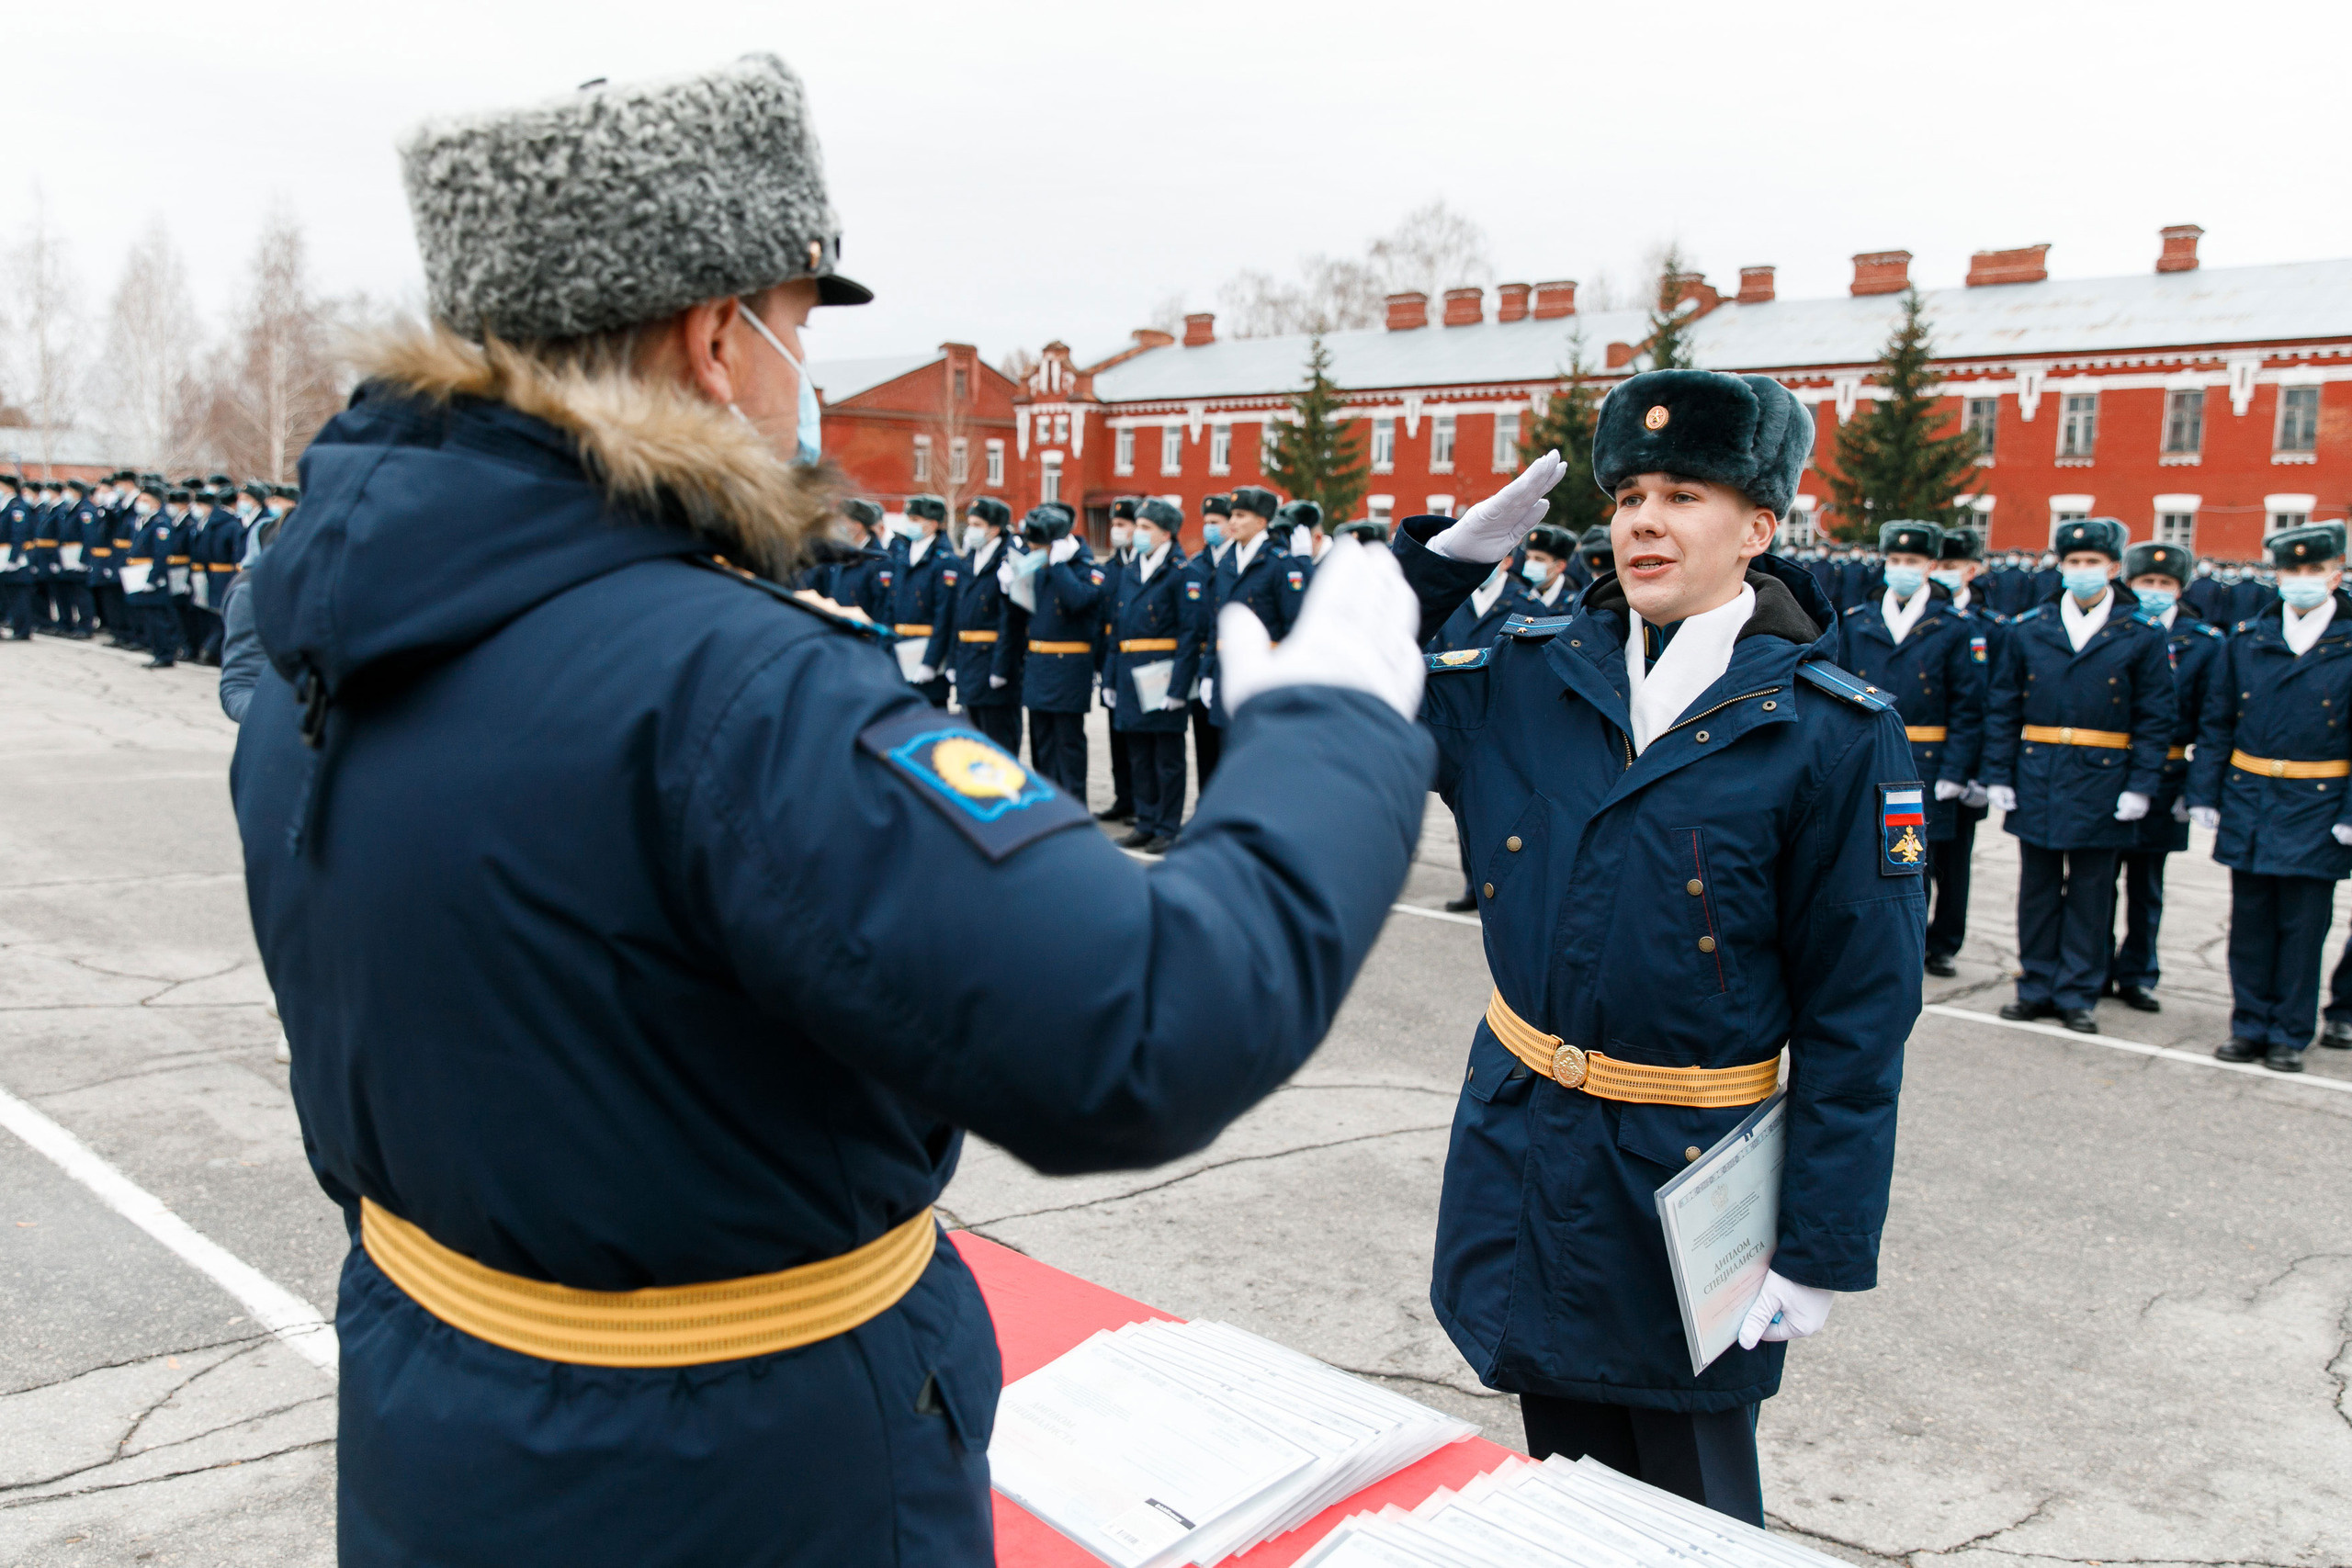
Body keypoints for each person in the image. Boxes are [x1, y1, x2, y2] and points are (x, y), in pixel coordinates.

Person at [230, 55, 1436, 1567]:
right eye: (801, 320)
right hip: (742, 1482)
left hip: (443, 1427)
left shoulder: (317, 642)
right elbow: (1144, 1017)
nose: (807, 372)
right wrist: (1333, 733)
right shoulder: (728, 682)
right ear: (717, 337)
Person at [1398, 368, 1919, 1526]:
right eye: (1628, 493)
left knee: (1691, 1514)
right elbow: (1310, 681)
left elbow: (1860, 1014)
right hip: (1529, 1140)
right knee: (1563, 1498)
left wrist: (1821, 1245)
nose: (1643, 519)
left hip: (1688, 1179)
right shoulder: (1527, 678)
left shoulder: (1829, 733)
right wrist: (1430, 572)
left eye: (1685, 494)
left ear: (1758, 528)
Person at [1981, 520, 2175, 1033]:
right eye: (2073, 562)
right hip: (2040, 770)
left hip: (2104, 778)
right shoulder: (2028, 628)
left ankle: (2078, 991)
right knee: (2038, 889)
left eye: (2092, 563)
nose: (2081, 571)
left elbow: (2156, 718)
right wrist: (1999, 772)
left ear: (2113, 568)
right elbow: (2002, 707)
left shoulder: (2141, 634)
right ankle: (2036, 983)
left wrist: (2141, 785)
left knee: (2092, 891)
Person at [2188, 524, 2351, 1072]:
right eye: (2292, 572)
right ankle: (2249, 1024)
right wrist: (2205, 791)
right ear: (2276, 576)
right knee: (2250, 922)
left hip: (2319, 801)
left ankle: (2289, 1032)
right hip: (2252, 795)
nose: (2302, 581)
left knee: (2303, 925)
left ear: (2337, 572)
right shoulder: (2247, 638)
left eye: (2313, 571)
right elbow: (2216, 723)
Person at [1835, 521, 1986, 978]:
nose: (1902, 569)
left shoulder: (1955, 626)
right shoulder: (1859, 620)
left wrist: (1957, 769)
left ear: (1931, 567)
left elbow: (1968, 704)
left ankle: (1929, 945)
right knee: (1873, 856)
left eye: (1913, 562)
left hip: (1930, 757)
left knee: (1928, 860)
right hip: (1871, 753)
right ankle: (1883, 942)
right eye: (1895, 560)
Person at [2098, 542, 2224, 1013]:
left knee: (2147, 885)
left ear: (2180, 588)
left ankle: (2138, 973)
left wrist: (2195, 790)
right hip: (2110, 770)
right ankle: (2094, 967)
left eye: (2164, 584)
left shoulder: (2205, 642)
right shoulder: (2114, 629)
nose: (2154, 591)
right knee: (2096, 882)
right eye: (2145, 583)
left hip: (2168, 774)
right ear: (2127, 584)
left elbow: (2211, 719)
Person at [1920, 527, 1994, 974]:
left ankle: (1945, 941)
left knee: (1953, 862)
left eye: (1952, 566)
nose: (1944, 574)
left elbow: (1994, 704)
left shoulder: (1986, 624)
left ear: (1972, 569)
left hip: (1960, 760)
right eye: (1940, 565)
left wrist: (1980, 772)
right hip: (1921, 756)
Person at [1104, 497, 1195, 852]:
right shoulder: (1130, 571)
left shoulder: (1181, 572)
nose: (1137, 534)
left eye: (1146, 528)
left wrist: (1179, 685)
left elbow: (1190, 633)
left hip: (1163, 672)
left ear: (1167, 533)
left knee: (1167, 756)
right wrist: (1110, 678)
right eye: (1137, 527)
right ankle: (1145, 820)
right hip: (1129, 672)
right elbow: (1118, 628)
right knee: (1139, 753)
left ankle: (1167, 826)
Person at [1001, 501, 1101, 796]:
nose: (1033, 552)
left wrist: (1059, 566)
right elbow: (1020, 615)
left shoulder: (1083, 568)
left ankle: (1072, 802)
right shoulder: (1041, 567)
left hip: (1069, 668)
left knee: (1067, 743)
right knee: (1041, 740)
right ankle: (1047, 800)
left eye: (1038, 547)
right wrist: (1008, 585)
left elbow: (1079, 600)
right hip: (1039, 665)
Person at [1209, 485, 1311, 728]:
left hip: (1263, 675)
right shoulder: (1226, 563)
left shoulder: (1280, 564)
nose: (1232, 521)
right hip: (1226, 672)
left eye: (1241, 515)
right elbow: (1215, 622)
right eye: (1232, 515)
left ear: (1261, 521)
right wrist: (1206, 673)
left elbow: (1293, 626)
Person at [934, 495, 1022, 751]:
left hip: (993, 660)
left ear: (994, 528)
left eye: (977, 524)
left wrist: (1001, 668)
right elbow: (957, 616)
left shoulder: (1007, 560)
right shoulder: (969, 560)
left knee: (998, 742)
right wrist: (952, 660)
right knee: (973, 741)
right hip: (968, 661)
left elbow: (1010, 621)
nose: (971, 530)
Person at [1182, 494, 1234, 787]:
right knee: (1203, 745)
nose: (1209, 528)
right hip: (1201, 664)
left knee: (1228, 747)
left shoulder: (1236, 561)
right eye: (1206, 522)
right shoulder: (1198, 563)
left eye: (1216, 522)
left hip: (1227, 664)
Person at [887, 492, 956, 706]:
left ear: (933, 523)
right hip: (899, 650)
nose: (910, 524)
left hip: (925, 653)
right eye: (909, 519)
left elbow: (945, 616)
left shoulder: (943, 561)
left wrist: (931, 663)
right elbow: (890, 606)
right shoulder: (902, 557)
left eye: (916, 520)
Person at [1097, 497, 1141, 826]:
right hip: (1112, 653)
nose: (1117, 531)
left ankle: (1141, 801)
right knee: (1115, 732)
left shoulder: (1143, 564)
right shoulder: (1112, 566)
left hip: (1138, 652)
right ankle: (1123, 797)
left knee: (1137, 735)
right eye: (1114, 525)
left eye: (1123, 525)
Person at [123, 482, 182, 668]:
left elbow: (161, 554)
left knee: (158, 618)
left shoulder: (160, 523)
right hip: (141, 575)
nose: (140, 503)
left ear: (156, 503)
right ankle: (158, 651)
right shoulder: (146, 520)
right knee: (149, 617)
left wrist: (153, 579)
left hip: (153, 578)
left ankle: (165, 654)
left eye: (145, 500)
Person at [1517, 523, 1577, 613]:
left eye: (1539, 559)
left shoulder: (1574, 604)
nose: (1530, 563)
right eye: (1528, 558)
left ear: (1559, 566)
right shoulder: (1517, 594)